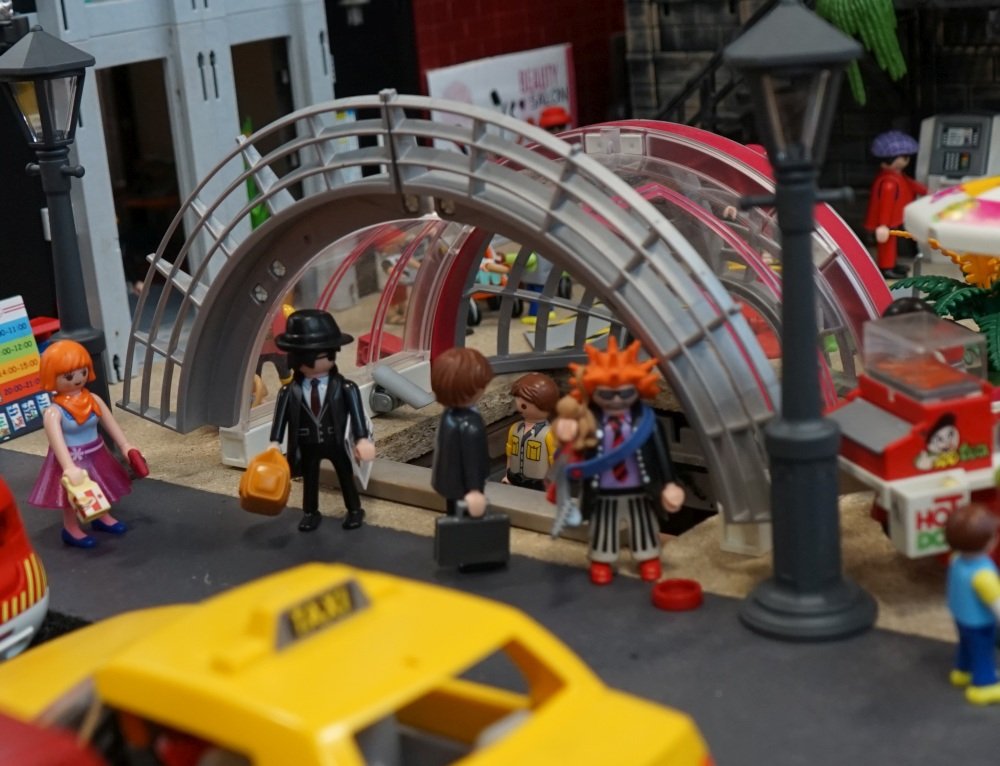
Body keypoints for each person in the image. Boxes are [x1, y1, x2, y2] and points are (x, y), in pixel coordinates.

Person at [552, 338, 685, 585]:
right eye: (606, 394)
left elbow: (662, 455)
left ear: (639, 388)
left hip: (641, 488)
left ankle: (648, 558)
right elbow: (568, 450)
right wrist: (565, 430)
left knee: (644, 525)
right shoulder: (587, 421)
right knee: (603, 527)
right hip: (602, 489)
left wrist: (670, 483)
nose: (616, 400)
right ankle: (601, 561)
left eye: (625, 393)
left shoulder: (647, 422)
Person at [28, 340, 145, 549]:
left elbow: (110, 424)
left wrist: (126, 446)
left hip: (97, 453)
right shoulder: (54, 412)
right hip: (71, 458)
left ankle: (101, 516)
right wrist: (68, 467)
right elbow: (56, 442)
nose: (78, 379)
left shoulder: (93, 400)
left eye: (82, 372)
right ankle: (71, 528)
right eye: (69, 376)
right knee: (72, 496)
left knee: (100, 486)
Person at [267, 309, 375, 532]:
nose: (322, 361)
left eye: (327, 355)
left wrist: (362, 439)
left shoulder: (345, 387)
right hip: (306, 444)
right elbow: (280, 418)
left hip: (337, 441)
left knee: (345, 475)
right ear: (296, 359)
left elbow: (357, 414)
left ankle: (354, 509)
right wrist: (275, 442)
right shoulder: (289, 391)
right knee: (310, 478)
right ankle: (310, 512)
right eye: (314, 357)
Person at [944, 503, 1000, 705]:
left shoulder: (955, 559)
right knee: (982, 652)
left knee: (966, 645)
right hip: (980, 622)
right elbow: (996, 603)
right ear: (989, 543)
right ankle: (985, 685)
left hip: (961, 617)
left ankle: (962, 671)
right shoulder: (983, 575)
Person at [429, 347, 495, 518]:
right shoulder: (470, 425)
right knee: (468, 520)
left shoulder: (448, 415)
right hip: (466, 487)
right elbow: (472, 459)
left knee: (453, 514)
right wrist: (474, 489)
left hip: (448, 482)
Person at [864, 130, 927, 279]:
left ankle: (891, 264)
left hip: (894, 217)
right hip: (887, 221)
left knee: (891, 243)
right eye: (904, 157)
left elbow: (912, 184)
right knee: (887, 244)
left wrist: (928, 191)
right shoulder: (889, 183)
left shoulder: (897, 176)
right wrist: (883, 225)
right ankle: (886, 267)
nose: (906, 160)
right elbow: (885, 204)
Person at [502, 372, 559, 490]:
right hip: (515, 479)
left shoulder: (549, 434)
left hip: (539, 483)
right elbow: (510, 455)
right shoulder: (514, 429)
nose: (518, 404)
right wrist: (507, 475)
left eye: (524, 403)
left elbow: (555, 461)